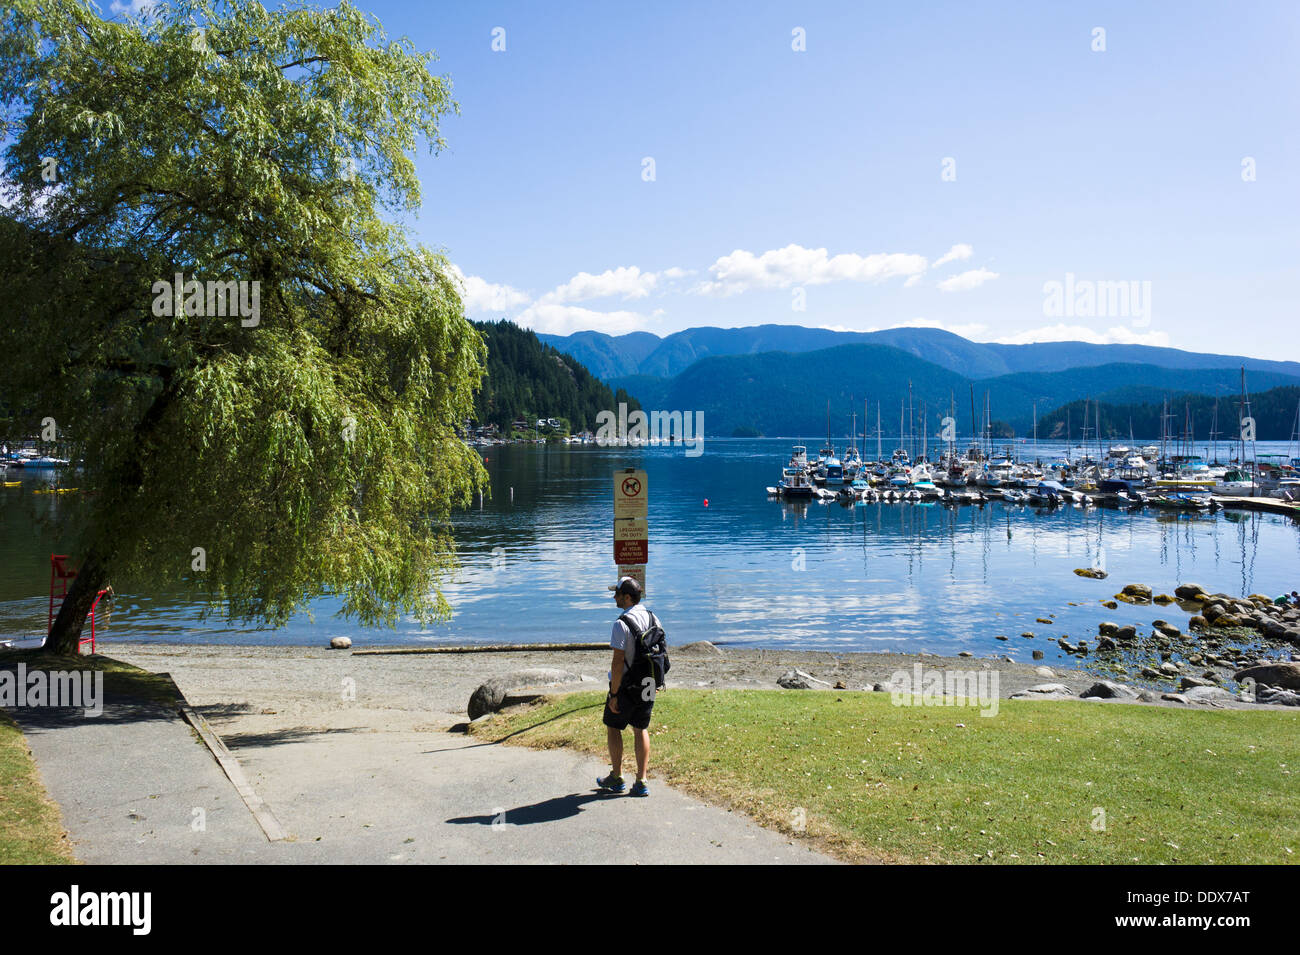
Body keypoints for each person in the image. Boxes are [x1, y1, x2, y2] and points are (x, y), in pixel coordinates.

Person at [597, 576, 657, 797]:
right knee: (641, 728)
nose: (614, 597)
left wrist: (614, 693)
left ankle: (617, 776)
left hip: (627, 686)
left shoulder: (621, 624)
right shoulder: (653, 617)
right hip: (649, 683)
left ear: (627, 597)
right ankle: (641, 781)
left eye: (618, 594)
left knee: (613, 726)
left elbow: (618, 661)